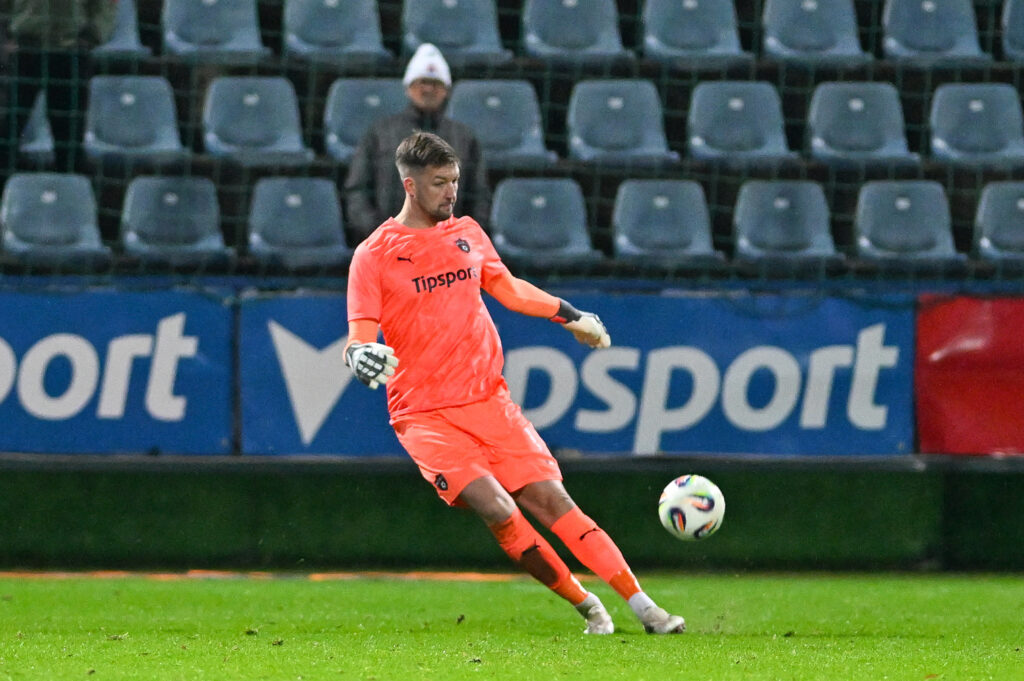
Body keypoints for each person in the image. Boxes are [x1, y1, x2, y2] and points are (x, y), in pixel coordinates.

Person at [343, 131, 685, 635]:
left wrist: (570, 315)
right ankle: (587, 604)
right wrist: (359, 356)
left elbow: (509, 289)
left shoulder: (467, 233)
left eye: (454, 180)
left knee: (555, 502)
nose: (451, 192)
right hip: (425, 415)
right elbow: (359, 338)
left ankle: (644, 607)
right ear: (410, 186)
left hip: (489, 401)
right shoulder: (374, 254)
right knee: (498, 507)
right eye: (439, 183)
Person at [343, 43, 490, 243]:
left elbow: (479, 196)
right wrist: (379, 234)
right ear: (408, 87)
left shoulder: (464, 137)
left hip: (446, 250)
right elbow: (357, 190)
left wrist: (461, 239)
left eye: (435, 83)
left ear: (446, 90)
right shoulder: (380, 133)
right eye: (422, 81)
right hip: (389, 247)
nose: (428, 88)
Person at [0, 0, 117, 174]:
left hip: (70, 50)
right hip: (26, 48)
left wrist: (93, 35)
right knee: (9, 129)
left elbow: (106, 5)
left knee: (68, 137)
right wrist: (7, 34)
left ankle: (69, 185)